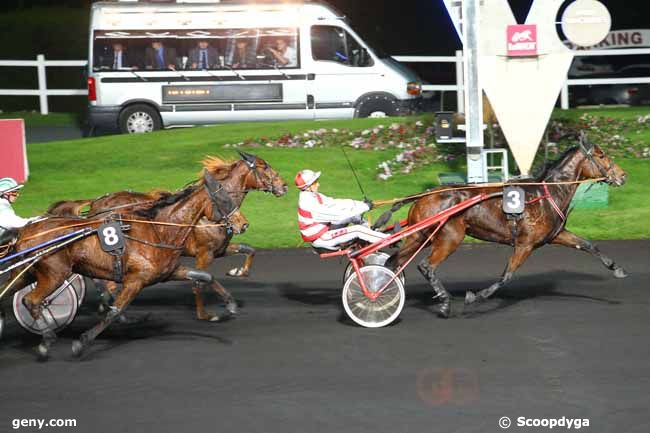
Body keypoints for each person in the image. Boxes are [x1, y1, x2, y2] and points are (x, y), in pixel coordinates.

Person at [295, 170, 388, 251]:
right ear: (308, 187)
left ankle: (371, 232)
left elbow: (336, 203)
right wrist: (365, 207)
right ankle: (388, 239)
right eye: (315, 182)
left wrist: (360, 203)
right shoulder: (309, 203)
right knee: (358, 230)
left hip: (325, 229)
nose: (318, 184)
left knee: (355, 217)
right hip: (321, 238)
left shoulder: (313, 195)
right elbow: (339, 215)